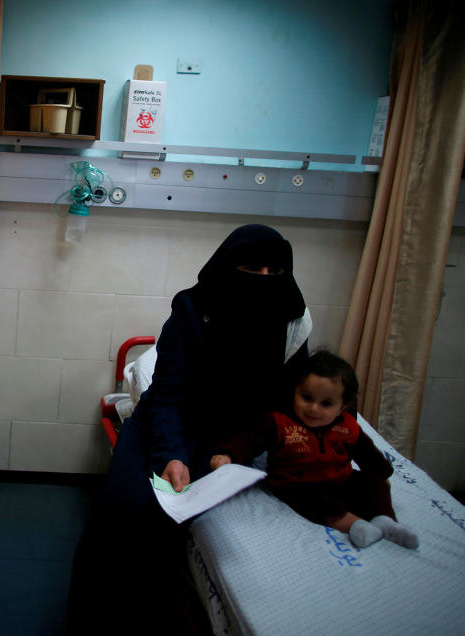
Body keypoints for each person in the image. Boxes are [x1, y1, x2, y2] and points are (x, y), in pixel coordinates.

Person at [67, 224, 312, 633]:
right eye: (252, 268)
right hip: (174, 422)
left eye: (275, 271)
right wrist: (171, 455)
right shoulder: (192, 310)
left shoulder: (292, 321)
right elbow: (166, 394)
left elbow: (290, 399)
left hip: (240, 434)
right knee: (128, 511)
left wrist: (262, 446)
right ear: (229, 266)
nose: (265, 281)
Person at [210, 350, 418, 550]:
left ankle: (385, 521)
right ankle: (353, 525)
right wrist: (228, 454)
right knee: (319, 501)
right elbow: (249, 440)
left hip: (340, 480)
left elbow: (366, 452)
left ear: (342, 407)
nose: (313, 409)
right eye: (307, 397)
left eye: (326, 403)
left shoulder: (347, 426)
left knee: (375, 484)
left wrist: (381, 472)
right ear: (295, 392)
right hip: (297, 485)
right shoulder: (280, 423)